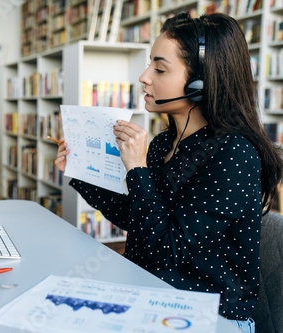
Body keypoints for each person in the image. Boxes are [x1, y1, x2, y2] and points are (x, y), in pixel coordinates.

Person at [55, 13, 283, 333]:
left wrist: (136, 168)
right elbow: (142, 219)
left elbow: (167, 250)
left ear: (200, 83)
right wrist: (79, 173)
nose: (144, 77)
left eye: (160, 68)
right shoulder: (165, 142)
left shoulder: (234, 154)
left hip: (209, 316)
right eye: (150, 64)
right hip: (152, 294)